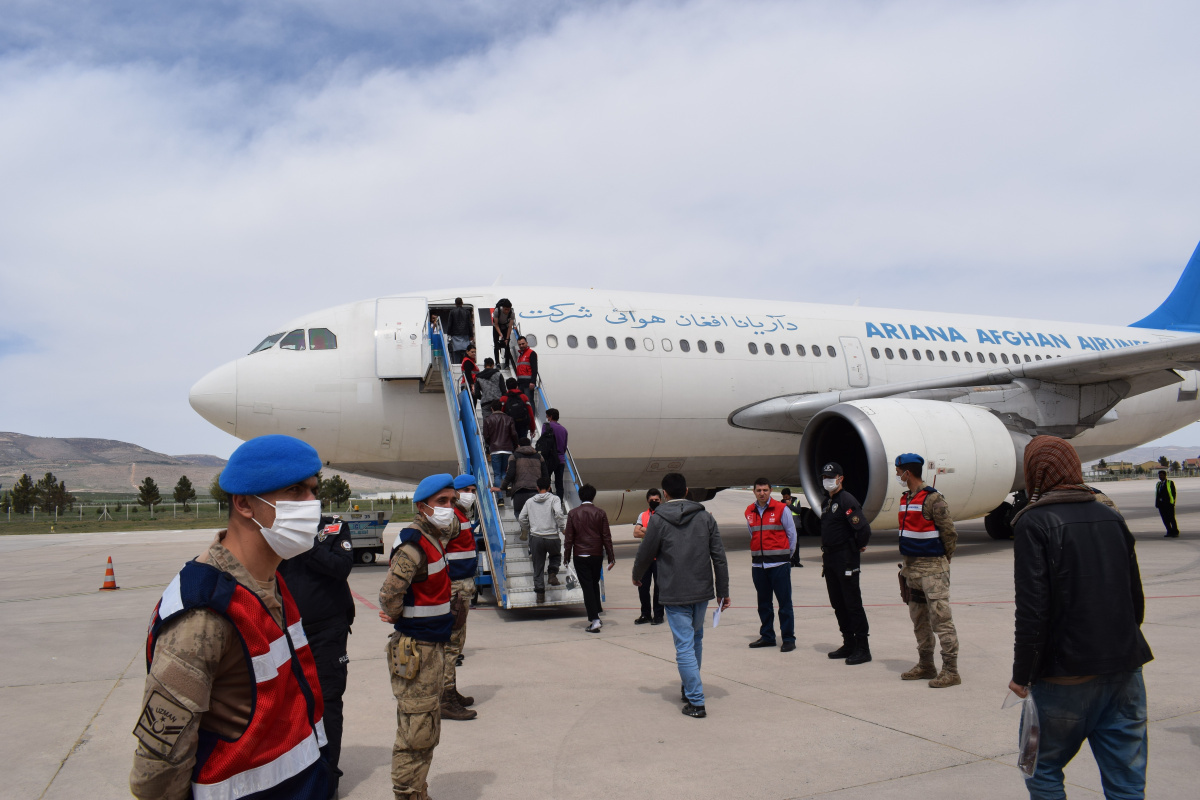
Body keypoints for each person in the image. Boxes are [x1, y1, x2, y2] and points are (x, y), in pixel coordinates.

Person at [131, 435, 329, 800]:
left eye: (314, 491)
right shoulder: (202, 614)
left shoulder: (271, 583)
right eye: (296, 491)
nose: (312, 504)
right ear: (244, 504)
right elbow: (157, 768)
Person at [1008, 436, 1153, 800]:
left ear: (1035, 471)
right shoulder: (1111, 516)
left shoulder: (1033, 522)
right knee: (1127, 783)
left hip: (1064, 677)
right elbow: (1135, 601)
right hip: (1124, 671)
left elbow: (1033, 609)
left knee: (1041, 772)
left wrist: (1022, 673)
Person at [379, 473, 460, 799]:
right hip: (417, 650)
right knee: (415, 732)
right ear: (422, 506)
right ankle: (407, 793)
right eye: (442, 502)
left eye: (452, 501)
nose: (449, 508)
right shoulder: (414, 546)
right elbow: (389, 594)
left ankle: (418, 790)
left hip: (432, 647)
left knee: (426, 728)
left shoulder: (434, 537)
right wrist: (396, 614)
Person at [631, 472, 730, 719]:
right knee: (695, 639)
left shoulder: (658, 520)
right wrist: (723, 591)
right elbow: (719, 556)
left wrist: (637, 574)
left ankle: (696, 701)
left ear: (664, 494)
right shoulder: (705, 517)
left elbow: (646, 552)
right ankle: (689, 688)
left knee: (684, 645)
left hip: (674, 591)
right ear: (686, 491)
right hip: (701, 590)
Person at [278, 511, 356, 797]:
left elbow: (341, 567)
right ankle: (296, 772)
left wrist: (306, 543)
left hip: (327, 631)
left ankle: (328, 777)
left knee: (328, 699)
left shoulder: (332, 526)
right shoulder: (274, 528)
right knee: (287, 703)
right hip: (284, 630)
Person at [894, 453, 961, 688]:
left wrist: (944, 560)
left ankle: (951, 670)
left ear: (907, 473)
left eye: (898, 471)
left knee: (941, 621)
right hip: (911, 568)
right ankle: (926, 665)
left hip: (932, 569)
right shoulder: (905, 499)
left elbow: (949, 533)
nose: (896, 475)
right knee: (919, 620)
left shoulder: (933, 499)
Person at [819, 462, 872, 665]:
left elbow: (863, 530)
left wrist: (856, 547)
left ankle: (863, 647)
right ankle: (848, 642)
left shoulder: (846, 500)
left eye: (831, 477)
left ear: (841, 478)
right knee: (838, 603)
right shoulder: (827, 501)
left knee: (852, 603)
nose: (827, 481)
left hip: (845, 557)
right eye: (824, 477)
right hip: (830, 558)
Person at [439, 475, 480, 721]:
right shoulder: (453, 516)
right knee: (451, 646)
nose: (470, 493)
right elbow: (437, 551)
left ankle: (451, 691)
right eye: (465, 489)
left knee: (457, 644)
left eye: (473, 489)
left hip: (461, 589)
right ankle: (445, 699)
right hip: (453, 590)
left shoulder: (462, 515)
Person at [745, 478, 798, 652]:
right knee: (764, 604)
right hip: (759, 567)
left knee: (784, 604)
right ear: (754, 491)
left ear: (770, 490)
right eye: (759, 490)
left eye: (765, 490)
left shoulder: (782, 509)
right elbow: (752, 533)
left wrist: (786, 557)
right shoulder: (749, 511)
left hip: (779, 565)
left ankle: (788, 638)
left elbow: (792, 535)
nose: (762, 493)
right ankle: (767, 636)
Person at [563, 483, 615, 632]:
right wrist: (611, 557)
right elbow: (606, 536)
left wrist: (566, 557)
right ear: (593, 496)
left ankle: (594, 619)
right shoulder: (600, 513)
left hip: (580, 554)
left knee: (587, 587)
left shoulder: (573, 513)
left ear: (580, 496)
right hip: (596, 554)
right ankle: (596, 612)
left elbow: (569, 538)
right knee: (593, 584)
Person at [518, 477, 567, 603]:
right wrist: (562, 527)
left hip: (536, 538)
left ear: (537, 488)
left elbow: (522, 517)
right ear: (550, 488)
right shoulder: (554, 499)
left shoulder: (529, 501)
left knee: (538, 565)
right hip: (552, 536)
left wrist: (527, 527)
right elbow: (558, 513)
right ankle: (552, 574)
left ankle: (540, 594)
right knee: (555, 556)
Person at [632, 488, 664, 625]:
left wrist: (646, 530)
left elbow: (664, 535)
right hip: (646, 558)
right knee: (643, 587)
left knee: (659, 588)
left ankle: (658, 615)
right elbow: (635, 533)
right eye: (652, 501)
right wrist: (653, 533)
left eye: (657, 500)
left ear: (661, 500)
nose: (655, 502)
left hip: (660, 558)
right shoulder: (643, 515)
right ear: (647, 501)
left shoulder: (664, 515)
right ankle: (645, 614)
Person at [497, 436, 546, 519]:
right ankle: (531, 530)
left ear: (518, 446)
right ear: (530, 445)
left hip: (519, 491)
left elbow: (510, 473)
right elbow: (545, 474)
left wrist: (503, 487)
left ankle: (524, 528)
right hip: (536, 490)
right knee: (534, 515)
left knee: (519, 513)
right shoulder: (539, 457)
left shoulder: (514, 456)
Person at [482, 400, 518, 504]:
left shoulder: (488, 419)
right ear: (501, 408)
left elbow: (486, 436)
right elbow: (513, 434)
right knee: (504, 472)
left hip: (495, 449)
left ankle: (500, 499)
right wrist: (515, 444)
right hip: (507, 449)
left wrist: (491, 444)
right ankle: (509, 486)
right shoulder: (509, 419)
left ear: (491, 409)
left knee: (497, 474)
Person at [541, 408, 569, 499]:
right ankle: (559, 502)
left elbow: (543, 442)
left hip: (549, 459)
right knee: (559, 483)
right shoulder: (564, 430)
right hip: (560, 459)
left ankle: (549, 499)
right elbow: (564, 447)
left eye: (547, 416)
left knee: (546, 480)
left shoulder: (546, 427)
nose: (546, 418)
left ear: (551, 416)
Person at [445, 297, 474, 364]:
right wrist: (471, 335)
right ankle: (465, 364)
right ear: (462, 303)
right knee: (465, 352)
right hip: (465, 334)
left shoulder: (452, 312)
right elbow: (469, 324)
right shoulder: (467, 312)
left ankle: (456, 365)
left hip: (455, 334)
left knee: (456, 352)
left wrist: (448, 333)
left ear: (455, 304)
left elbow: (450, 324)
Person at [1155, 469, 1179, 538]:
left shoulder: (1170, 483)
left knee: (1171, 518)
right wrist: (1157, 503)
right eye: (1159, 475)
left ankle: (1175, 531)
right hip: (1161, 505)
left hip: (1169, 504)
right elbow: (1157, 494)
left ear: (1165, 476)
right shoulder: (1158, 484)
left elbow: (1173, 493)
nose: (1160, 477)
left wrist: (1172, 502)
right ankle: (1169, 531)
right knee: (1165, 519)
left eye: (1161, 475)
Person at [515, 335, 539, 404]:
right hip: (520, 383)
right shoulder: (520, 356)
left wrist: (533, 381)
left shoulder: (531, 353)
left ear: (527, 343)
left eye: (523, 344)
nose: (521, 346)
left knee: (529, 401)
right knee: (522, 402)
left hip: (528, 383)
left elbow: (534, 368)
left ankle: (532, 415)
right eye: (519, 344)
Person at [492, 298, 515, 368]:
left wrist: (507, 339)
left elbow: (510, 326)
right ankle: (497, 363)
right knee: (496, 345)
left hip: (505, 326)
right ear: (503, 308)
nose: (507, 311)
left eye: (508, 309)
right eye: (505, 309)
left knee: (506, 345)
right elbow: (496, 324)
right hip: (497, 326)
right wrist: (500, 334)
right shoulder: (497, 311)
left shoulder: (512, 313)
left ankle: (507, 363)